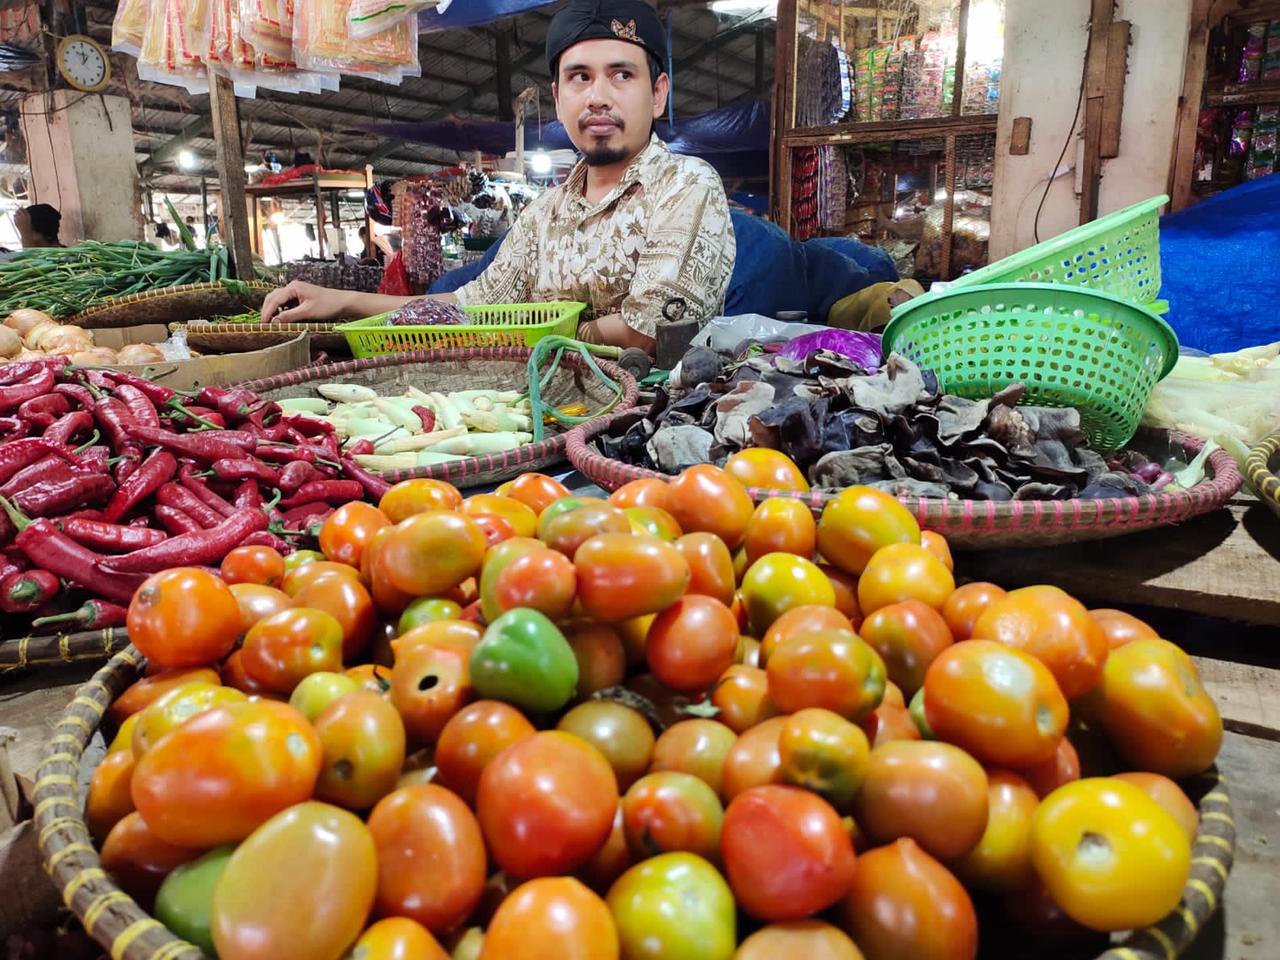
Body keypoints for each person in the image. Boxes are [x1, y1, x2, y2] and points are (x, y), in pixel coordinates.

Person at [261, 0, 736, 355]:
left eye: (621, 75)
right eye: (579, 77)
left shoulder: (686, 184)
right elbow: (468, 308)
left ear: (657, 94)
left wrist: (525, 329)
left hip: (646, 431)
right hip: (538, 411)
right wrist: (341, 301)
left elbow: (646, 333)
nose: (597, 97)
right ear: (557, 96)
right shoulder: (545, 213)